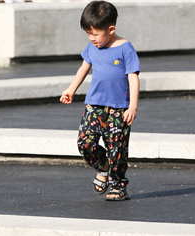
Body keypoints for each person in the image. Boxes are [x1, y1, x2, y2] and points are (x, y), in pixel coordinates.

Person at [60, 0, 140, 201]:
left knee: (117, 149)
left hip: (119, 109)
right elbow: (83, 69)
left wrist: (133, 106)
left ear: (111, 29)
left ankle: (118, 186)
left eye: (95, 34)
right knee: (84, 143)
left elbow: (133, 77)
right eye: (88, 34)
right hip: (94, 106)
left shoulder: (125, 49)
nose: (91, 38)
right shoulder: (92, 47)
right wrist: (71, 89)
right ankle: (102, 166)